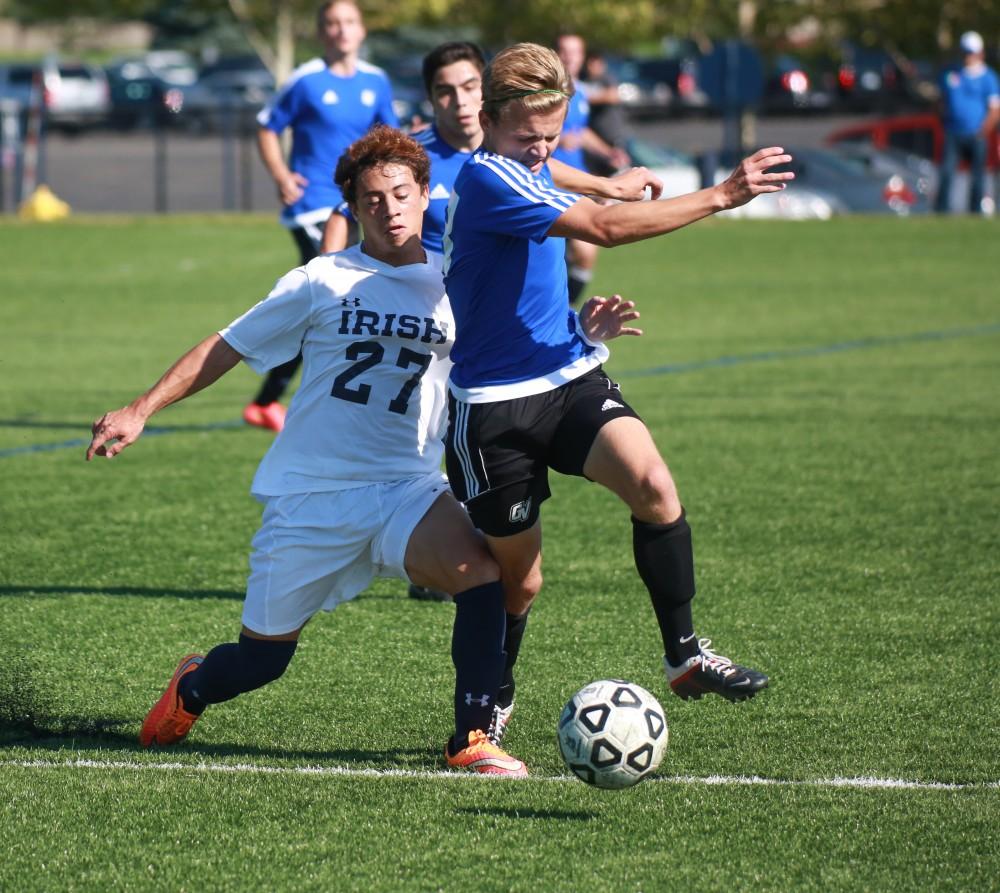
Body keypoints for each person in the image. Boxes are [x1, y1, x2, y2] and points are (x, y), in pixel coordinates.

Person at [86, 126, 639, 776]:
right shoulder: (322, 279)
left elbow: (514, 356)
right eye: (372, 198)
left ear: (426, 193)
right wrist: (140, 408)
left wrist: (580, 333)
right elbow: (225, 346)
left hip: (405, 487)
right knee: (263, 660)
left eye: (402, 193)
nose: (390, 207)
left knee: (482, 575)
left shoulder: (456, 283)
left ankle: (471, 733)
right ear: (352, 206)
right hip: (312, 498)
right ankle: (194, 686)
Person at [441, 43, 794, 746]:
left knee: (654, 485)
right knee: (521, 582)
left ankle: (686, 655)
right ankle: (494, 698)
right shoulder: (487, 182)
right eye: (527, 138)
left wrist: (604, 181)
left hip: (567, 373)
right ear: (488, 119)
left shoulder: (526, 163)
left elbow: (556, 174)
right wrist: (720, 195)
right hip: (491, 411)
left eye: (552, 135)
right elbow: (601, 231)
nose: (541, 150)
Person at [322, 40, 663, 607]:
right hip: (418, 314)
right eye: (445, 91)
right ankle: (418, 545)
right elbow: (350, 207)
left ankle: (455, 551)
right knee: (418, 435)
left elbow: (541, 164)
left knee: (457, 436)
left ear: (487, 97)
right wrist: (329, 281)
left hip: (481, 325)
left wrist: (605, 185)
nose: (458, 101)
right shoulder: (416, 156)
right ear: (432, 100)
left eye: (468, 87)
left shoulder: (516, 147)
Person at [247, 0, 398, 433]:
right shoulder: (306, 80)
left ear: (362, 29)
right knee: (335, 292)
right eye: (331, 23)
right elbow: (266, 125)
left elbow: (390, 139)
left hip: (358, 204)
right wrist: (280, 174)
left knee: (319, 301)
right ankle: (297, 397)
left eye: (348, 21)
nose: (341, 30)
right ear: (321, 32)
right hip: (313, 203)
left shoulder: (376, 81)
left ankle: (268, 400)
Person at [553, 32, 631, 306]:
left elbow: (581, 132)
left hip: (578, 180)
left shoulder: (580, 91)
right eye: (564, 50)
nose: (569, 56)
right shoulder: (545, 90)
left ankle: (564, 309)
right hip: (548, 180)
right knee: (550, 259)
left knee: (586, 253)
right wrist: (555, 139)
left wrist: (607, 152)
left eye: (576, 51)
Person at [934, 30, 1000, 215]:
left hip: (976, 134)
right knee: (947, 172)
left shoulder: (989, 78)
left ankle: (974, 213)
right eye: (965, 52)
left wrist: (982, 131)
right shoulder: (950, 74)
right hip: (953, 133)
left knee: (977, 178)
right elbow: (940, 102)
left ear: (980, 53)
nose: (967, 56)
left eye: (971, 52)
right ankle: (941, 212)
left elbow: (995, 110)